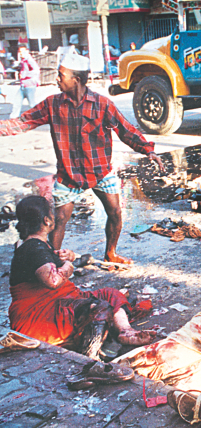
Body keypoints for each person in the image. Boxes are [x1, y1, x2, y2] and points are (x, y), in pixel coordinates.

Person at [0, 52, 165, 264]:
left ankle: (110, 253)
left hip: (101, 172)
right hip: (68, 175)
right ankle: (53, 263)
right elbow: (24, 121)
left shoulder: (102, 104)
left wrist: (148, 149)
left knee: (115, 213)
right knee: (58, 220)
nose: (57, 79)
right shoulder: (52, 104)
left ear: (76, 80)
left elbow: (125, 129)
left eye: (61, 75)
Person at [8, 196, 156, 359]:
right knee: (98, 308)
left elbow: (47, 266)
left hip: (54, 305)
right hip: (38, 318)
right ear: (47, 220)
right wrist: (68, 266)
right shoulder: (34, 248)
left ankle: (125, 331)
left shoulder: (34, 244)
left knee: (109, 294)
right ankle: (90, 357)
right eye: (52, 213)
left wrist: (67, 257)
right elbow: (54, 281)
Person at [10, 45, 40, 119]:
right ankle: (13, 117)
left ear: (27, 51)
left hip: (30, 85)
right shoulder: (23, 60)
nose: (21, 53)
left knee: (32, 104)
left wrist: (24, 75)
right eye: (20, 52)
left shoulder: (29, 60)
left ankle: (39, 117)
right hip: (23, 85)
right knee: (17, 102)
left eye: (23, 51)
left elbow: (36, 70)